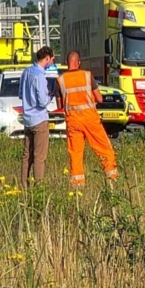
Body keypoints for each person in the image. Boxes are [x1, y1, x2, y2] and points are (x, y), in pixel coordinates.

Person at [57, 51, 119, 188]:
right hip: (90, 118)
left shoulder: (60, 80)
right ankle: (112, 177)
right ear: (78, 62)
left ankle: (77, 184)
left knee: (75, 153)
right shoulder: (87, 76)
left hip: (73, 121)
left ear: (67, 63)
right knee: (104, 148)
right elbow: (100, 99)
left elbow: (59, 105)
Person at [19, 46, 55, 190]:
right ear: (47, 58)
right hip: (39, 119)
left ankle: (24, 186)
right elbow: (42, 101)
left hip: (27, 119)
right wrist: (50, 95)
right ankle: (39, 188)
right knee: (40, 157)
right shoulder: (40, 76)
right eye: (52, 59)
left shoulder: (26, 72)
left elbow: (21, 94)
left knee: (27, 155)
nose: (52, 62)